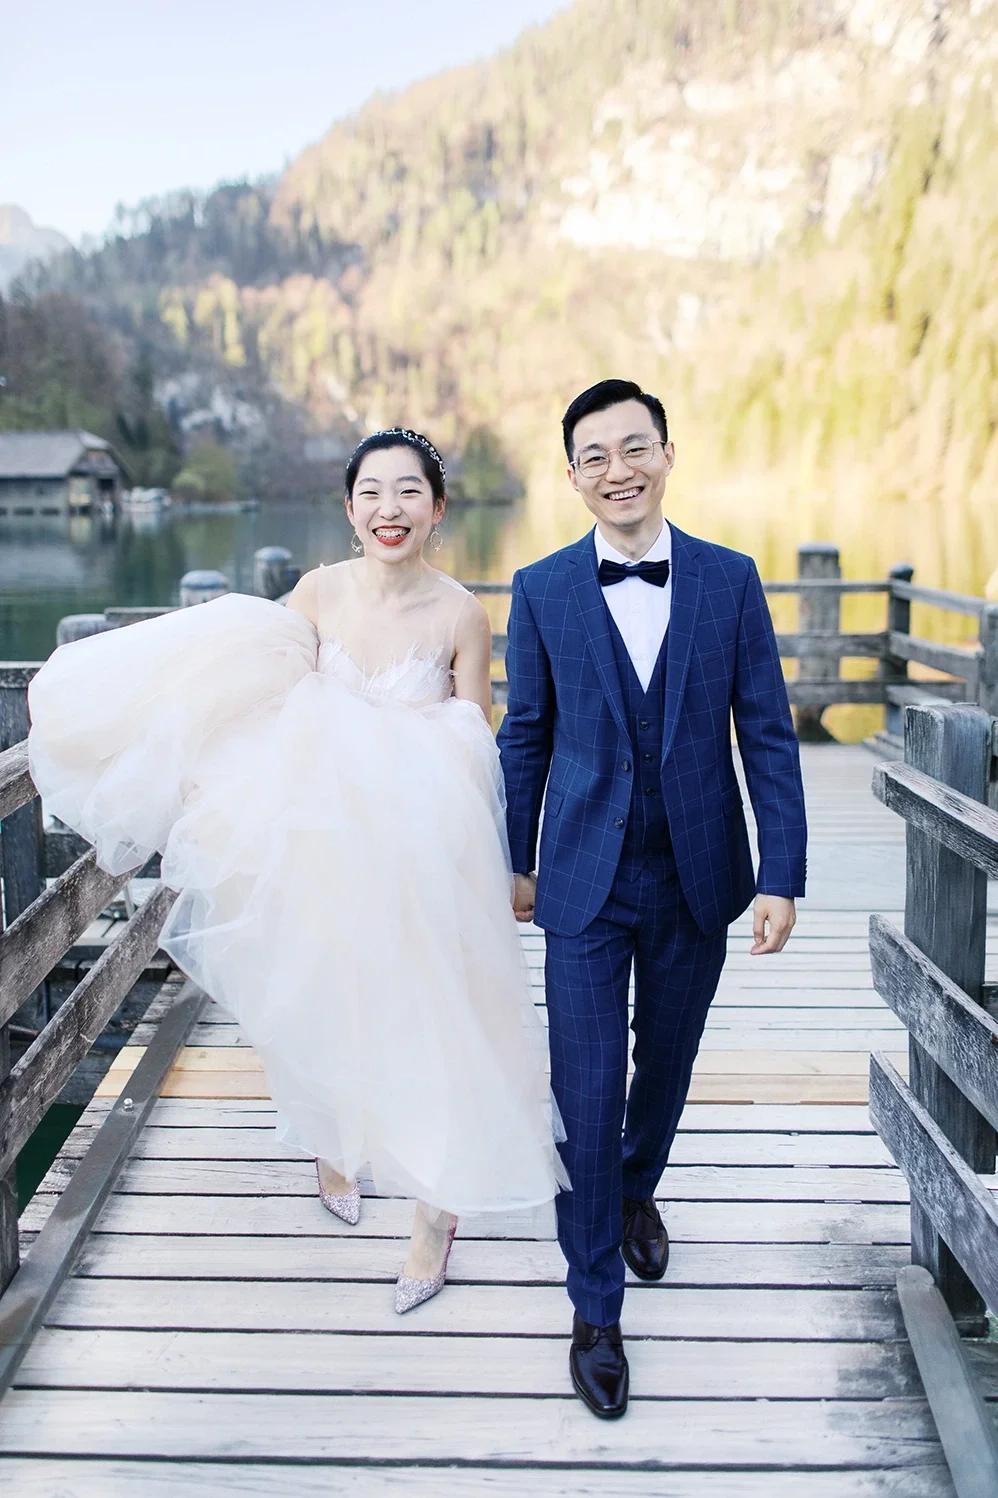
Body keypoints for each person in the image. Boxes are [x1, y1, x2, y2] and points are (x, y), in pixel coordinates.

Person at [28, 426, 567, 1313]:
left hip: (425, 847)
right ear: (349, 508)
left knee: (438, 1008)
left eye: (407, 493)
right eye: (371, 493)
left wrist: (445, 798)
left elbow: (480, 740)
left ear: (438, 508)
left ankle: (436, 1215)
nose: (388, 510)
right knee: (324, 989)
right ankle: (332, 1136)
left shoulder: (461, 613)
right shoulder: (314, 592)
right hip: (324, 841)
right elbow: (253, 686)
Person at [498, 379, 807, 1418]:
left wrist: (780, 872)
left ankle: (633, 1188)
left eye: (635, 447)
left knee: (662, 1067)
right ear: (573, 474)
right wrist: (512, 856)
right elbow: (525, 734)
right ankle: (595, 1306)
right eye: (594, 454)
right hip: (580, 880)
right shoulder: (539, 588)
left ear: (666, 455)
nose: (617, 469)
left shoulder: (728, 578)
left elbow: (765, 729)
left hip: (698, 873)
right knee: (583, 1093)